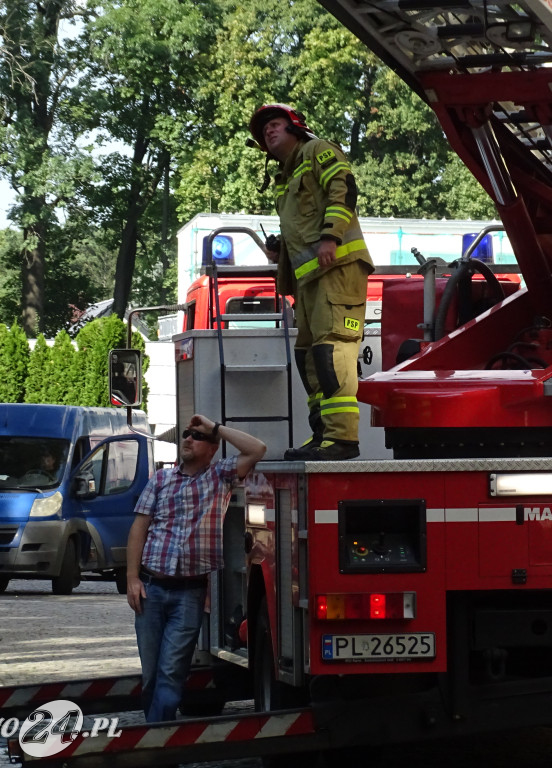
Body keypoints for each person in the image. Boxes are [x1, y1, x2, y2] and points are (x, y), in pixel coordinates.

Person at [249, 103, 374, 461]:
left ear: (295, 127)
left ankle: (343, 439)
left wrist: (331, 237)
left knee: (333, 350)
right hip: (309, 283)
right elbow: (301, 229)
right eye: (263, 131)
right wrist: (280, 254)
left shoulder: (318, 150)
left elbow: (343, 188)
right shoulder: (285, 179)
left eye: (274, 125)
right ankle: (323, 435)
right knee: (309, 356)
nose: (268, 133)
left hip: (338, 270)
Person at [126, 414, 266, 722]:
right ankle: (158, 735)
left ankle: (159, 739)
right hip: (150, 590)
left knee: (171, 672)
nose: (188, 439)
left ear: (213, 448)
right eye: (186, 434)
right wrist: (132, 578)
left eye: (196, 436)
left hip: (188, 594)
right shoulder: (161, 480)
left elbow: (256, 449)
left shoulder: (220, 477)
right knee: (151, 674)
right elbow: (139, 528)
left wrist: (215, 428)